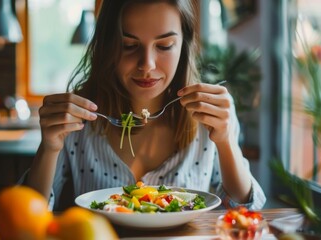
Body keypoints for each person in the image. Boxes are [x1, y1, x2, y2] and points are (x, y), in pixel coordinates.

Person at [23, 0, 266, 211]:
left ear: (184, 45)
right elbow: (27, 213)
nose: (147, 64)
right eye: (129, 45)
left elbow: (244, 207)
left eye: (164, 46)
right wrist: (49, 147)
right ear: (108, 45)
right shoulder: (77, 119)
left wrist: (226, 142)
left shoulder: (210, 112)